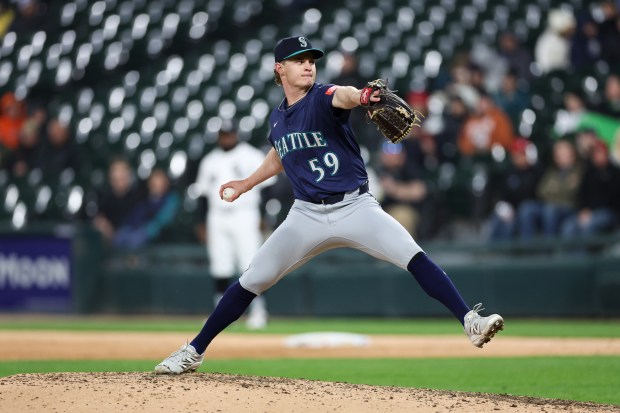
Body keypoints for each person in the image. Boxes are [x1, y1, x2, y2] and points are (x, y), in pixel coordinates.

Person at [155, 36, 504, 374]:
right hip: (305, 214)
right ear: (280, 69)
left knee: (413, 256)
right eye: (299, 61)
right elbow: (279, 155)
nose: (308, 67)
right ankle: (194, 350)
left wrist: (364, 95)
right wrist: (246, 183)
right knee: (252, 278)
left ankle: (470, 321)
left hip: (355, 208)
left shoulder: (324, 96)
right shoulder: (278, 118)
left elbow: (347, 95)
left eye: (311, 61)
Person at [194, 120, 275, 330]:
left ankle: (258, 311)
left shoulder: (250, 155)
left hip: (245, 214)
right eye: (223, 134)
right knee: (220, 265)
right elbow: (202, 195)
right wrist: (201, 222)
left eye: (229, 134)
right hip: (217, 215)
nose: (226, 137)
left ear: (236, 134)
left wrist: (263, 216)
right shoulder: (209, 160)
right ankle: (219, 314)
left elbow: (267, 189)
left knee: (250, 265)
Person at [517, 139, 582, 240]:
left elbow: (571, 193)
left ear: (572, 154)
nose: (560, 156)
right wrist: (560, 189)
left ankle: (549, 248)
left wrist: (555, 189)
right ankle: (527, 248)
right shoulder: (552, 172)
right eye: (558, 153)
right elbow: (541, 191)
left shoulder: (578, 171)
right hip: (548, 205)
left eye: (563, 153)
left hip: (568, 208)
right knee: (527, 208)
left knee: (550, 209)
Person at [113, 167, 180, 250]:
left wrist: (146, 231)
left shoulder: (171, 200)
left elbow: (161, 222)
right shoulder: (144, 198)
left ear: (166, 183)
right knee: (120, 237)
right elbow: (135, 216)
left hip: (152, 236)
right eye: (154, 181)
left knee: (136, 240)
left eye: (159, 181)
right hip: (135, 230)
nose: (156, 184)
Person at [92, 157, 144, 246]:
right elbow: (99, 220)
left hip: (131, 242)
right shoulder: (105, 197)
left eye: (122, 172)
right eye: (116, 172)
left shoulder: (138, 196)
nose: (119, 176)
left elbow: (138, 226)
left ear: (128, 175)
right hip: (110, 244)